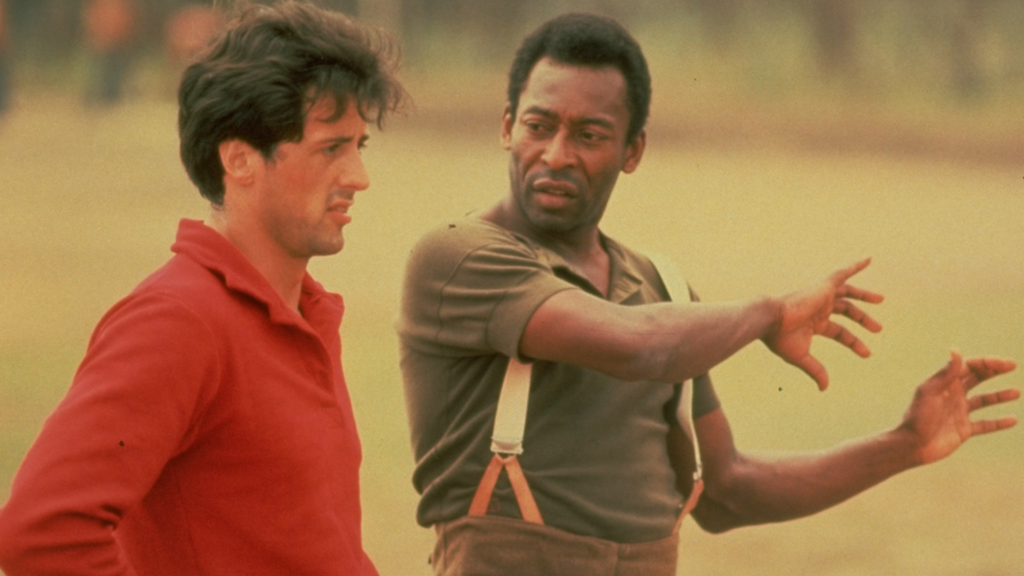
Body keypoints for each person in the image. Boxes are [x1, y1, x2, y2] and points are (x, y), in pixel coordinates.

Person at [396, 12, 1019, 576]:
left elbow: (725, 493)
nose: (556, 154)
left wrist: (903, 444)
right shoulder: (458, 256)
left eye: (589, 135)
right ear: (507, 127)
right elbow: (637, 348)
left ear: (632, 150)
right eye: (539, 125)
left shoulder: (660, 287)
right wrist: (770, 312)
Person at [0, 1, 405, 574]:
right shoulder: (178, 320)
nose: (359, 178)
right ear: (240, 159)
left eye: (358, 146)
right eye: (330, 148)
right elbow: (42, 532)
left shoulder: (305, 311)